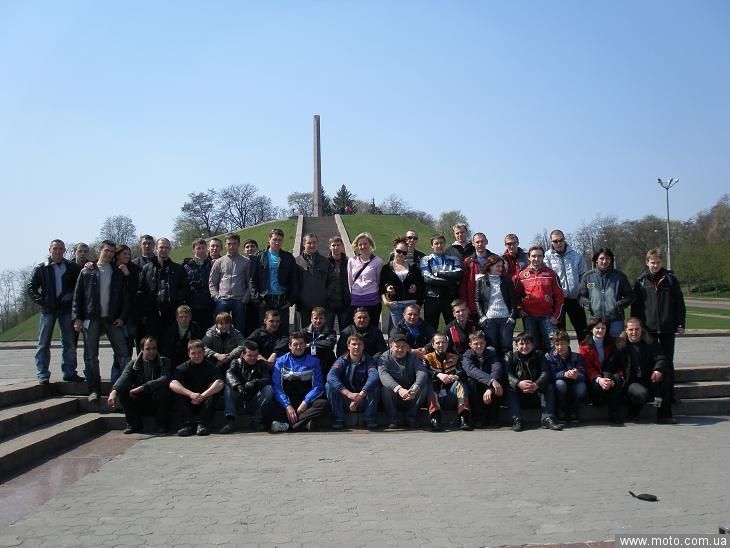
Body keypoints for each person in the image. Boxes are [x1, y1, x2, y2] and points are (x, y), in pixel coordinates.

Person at [72, 240, 130, 401]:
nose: (109, 254)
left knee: (123, 353)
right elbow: (78, 296)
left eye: (112, 252)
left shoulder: (117, 272)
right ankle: (94, 390)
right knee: (91, 355)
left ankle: (125, 387)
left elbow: (125, 298)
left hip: (112, 318)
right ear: (100, 251)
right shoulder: (87, 271)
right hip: (92, 318)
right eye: (106, 251)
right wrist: (77, 318)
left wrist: (122, 317)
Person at [631, 248, 686, 402]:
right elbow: (636, 307)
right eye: (652, 262)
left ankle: (670, 394)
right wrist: (636, 327)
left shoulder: (670, 280)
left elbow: (679, 304)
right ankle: (653, 392)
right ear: (647, 262)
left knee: (667, 361)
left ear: (662, 263)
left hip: (667, 328)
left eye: (658, 262)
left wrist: (680, 323)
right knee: (650, 362)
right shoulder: (640, 281)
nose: (655, 265)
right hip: (649, 329)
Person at [28, 239, 83, 384]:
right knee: (43, 343)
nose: (58, 251)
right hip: (48, 310)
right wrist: (42, 300)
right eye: (55, 249)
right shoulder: (41, 268)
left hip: (66, 309)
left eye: (60, 249)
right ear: (50, 250)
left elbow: (79, 286)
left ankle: (69, 372)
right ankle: (42, 374)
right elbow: (31, 288)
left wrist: (72, 298)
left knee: (69, 342)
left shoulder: (72, 267)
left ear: (64, 250)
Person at [614, 317, 675, 424]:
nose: (634, 332)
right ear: (626, 330)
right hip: (631, 382)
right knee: (642, 393)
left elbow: (661, 358)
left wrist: (657, 370)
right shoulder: (619, 345)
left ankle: (664, 416)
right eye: (631, 329)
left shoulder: (650, 342)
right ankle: (633, 412)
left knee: (666, 378)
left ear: (641, 329)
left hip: (648, 378)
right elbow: (612, 365)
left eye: (637, 329)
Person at [107, 336, 172, 434]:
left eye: (154, 348)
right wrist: (114, 392)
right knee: (124, 392)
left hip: (157, 401)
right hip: (141, 400)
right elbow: (124, 377)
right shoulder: (133, 363)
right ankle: (134, 425)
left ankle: (162, 425)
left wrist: (143, 387)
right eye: (148, 349)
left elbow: (165, 378)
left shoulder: (164, 361)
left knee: (163, 391)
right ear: (142, 349)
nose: (152, 351)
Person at [270, 332, 329, 433]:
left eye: (301, 344)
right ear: (289, 346)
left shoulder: (314, 361)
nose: (299, 347)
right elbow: (276, 387)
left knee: (323, 404)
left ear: (305, 345)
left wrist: (305, 402)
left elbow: (318, 386)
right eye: (295, 344)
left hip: (305, 402)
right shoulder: (280, 361)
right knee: (268, 406)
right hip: (287, 400)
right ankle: (304, 424)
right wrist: (287, 406)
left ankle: (288, 426)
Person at [505, 332, 562, 432]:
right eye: (521, 344)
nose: (524, 346)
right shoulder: (510, 356)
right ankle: (516, 419)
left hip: (536, 393)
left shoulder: (539, 355)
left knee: (548, 387)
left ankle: (547, 418)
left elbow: (545, 372)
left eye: (528, 343)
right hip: (519, 394)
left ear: (533, 345)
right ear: (516, 346)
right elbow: (507, 374)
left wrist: (536, 384)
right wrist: (518, 383)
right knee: (509, 389)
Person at [377, 333, 434, 429]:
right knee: (384, 389)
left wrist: (415, 387)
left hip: (410, 395)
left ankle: (411, 417)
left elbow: (422, 372)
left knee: (423, 386)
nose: (400, 349)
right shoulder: (384, 358)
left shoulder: (413, 357)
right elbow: (383, 375)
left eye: (403, 346)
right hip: (394, 395)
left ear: (407, 347)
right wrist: (399, 389)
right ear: (391, 346)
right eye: (397, 346)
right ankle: (393, 419)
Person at [515, 246, 564, 355]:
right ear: (528, 257)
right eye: (533, 256)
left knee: (554, 345)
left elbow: (559, 297)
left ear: (543, 257)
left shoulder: (551, 274)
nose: (536, 259)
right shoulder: (522, 275)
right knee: (532, 347)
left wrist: (556, 316)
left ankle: (554, 365)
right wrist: (519, 309)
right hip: (529, 317)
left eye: (539, 256)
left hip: (547, 317)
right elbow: (515, 296)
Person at [169, 340, 225, 436]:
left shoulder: (211, 367)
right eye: (193, 353)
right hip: (189, 401)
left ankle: (202, 424)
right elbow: (172, 383)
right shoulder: (182, 368)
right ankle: (187, 425)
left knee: (214, 388)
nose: (197, 356)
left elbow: (220, 382)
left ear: (204, 353)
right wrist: (190, 394)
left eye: (199, 352)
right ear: (188, 354)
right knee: (178, 389)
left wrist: (203, 396)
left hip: (205, 401)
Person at [326, 333, 380, 430]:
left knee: (375, 385)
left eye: (359, 344)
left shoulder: (369, 361)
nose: (356, 347)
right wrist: (348, 394)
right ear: (348, 346)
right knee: (329, 386)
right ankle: (339, 418)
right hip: (345, 399)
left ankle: (369, 418)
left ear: (363, 346)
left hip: (363, 399)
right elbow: (331, 376)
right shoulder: (342, 360)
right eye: (354, 344)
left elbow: (374, 376)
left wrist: (360, 395)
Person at [249, 228, 298, 330]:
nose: (277, 242)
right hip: (265, 300)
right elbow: (252, 280)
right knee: (264, 331)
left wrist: (291, 300)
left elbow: (294, 279)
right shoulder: (259, 257)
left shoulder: (288, 257)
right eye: (274, 239)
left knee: (283, 331)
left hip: (282, 300)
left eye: (280, 240)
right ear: (269, 240)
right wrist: (257, 299)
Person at [140, 237, 188, 340]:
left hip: (172, 313)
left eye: (166, 247)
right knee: (153, 342)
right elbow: (142, 290)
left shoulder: (178, 269)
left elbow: (184, 289)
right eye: (161, 247)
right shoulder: (146, 269)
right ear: (156, 248)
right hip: (152, 314)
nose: (164, 250)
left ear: (170, 249)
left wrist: (176, 301)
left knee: (169, 342)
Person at [221, 340, 273, 434]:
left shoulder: (261, 364)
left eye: (255, 355)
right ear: (242, 354)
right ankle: (230, 421)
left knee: (268, 389)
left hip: (254, 400)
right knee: (228, 387)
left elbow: (267, 379)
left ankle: (257, 420)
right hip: (238, 399)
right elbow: (229, 373)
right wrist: (238, 386)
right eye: (249, 355)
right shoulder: (235, 363)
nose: (253, 358)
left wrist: (255, 382)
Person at [579, 247, 634, 337]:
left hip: (616, 320)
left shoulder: (620, 276)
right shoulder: (588, 277)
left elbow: (630, 296)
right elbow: (581, 296)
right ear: (596, 260)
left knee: (617, 344)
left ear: (611, 260)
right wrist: (589, 304)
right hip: (596, 321)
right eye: (601, 258)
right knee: (597, 345)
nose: (604, 261)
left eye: (607, 258)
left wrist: (620, 304)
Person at [422, 333, 472, 430]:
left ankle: (464, 418)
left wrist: (456, 376)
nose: (441, 345)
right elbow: (424, 371)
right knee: (429, 384)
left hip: (450, 396)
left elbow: (463, 372)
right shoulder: (427, 358)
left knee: (460, 384)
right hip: (434, 396)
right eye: (438, 343)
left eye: (443, 342)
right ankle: (435, 419)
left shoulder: (455, 357)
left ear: (447, 344)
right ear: (433, 345)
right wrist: (437, 375)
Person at [544, 230, 588, 340]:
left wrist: (582, 293)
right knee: (560, 334)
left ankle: (585, 351)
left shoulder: (576, 255)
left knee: (583, 331)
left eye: (561, 240)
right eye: (555, 241)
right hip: (558, 301)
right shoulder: (547, 257)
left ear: (564, 239)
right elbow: (547, 279)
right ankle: (563, 352)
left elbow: (584, 276)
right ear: (551, 242)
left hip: (575, 299)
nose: (558, 243)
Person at [579, 317, 624, 424]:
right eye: (597, 328)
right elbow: (588, 367)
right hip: (594, 377)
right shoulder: (584, 346)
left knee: (617, 379)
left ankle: (614, 413)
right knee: (598, 386)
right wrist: (599, 379)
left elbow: (613, 363)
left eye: (603, 328)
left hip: (609, 373)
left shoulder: (613, 343)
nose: (600, 330)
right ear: (592, 329)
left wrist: (608, 379)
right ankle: (599, 400)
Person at [475, 254, 517, 357]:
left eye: (501, 266)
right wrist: (482, 316)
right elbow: (477, 300)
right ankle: (495, 367)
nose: (500, 268)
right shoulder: (481, 281)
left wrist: (512, 316)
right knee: (492, 347)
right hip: (489, 320)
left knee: (506, 347)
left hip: (506, 319)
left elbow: (513, 301)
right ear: (490, 266)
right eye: (497, 266)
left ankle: (508, 367)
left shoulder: (507, 281)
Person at [208, 233, 250, 335]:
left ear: (238, 244)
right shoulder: (219, 262)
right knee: (218, 327)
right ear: (225, 245)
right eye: (229, 244)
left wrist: (245, 297)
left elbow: (250, 282)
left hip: (239, 299)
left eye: (234, 244)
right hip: (223, 299)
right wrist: (216, 296)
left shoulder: (246, 261)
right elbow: (212, 281)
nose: (231, 246)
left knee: (239, 329)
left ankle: (239, 344)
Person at [380, 237, 424, 331]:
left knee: (411, 332)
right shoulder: (386, 268)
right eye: (398, 251)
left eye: (404, 253)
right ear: (394, 250)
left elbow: (421, 284)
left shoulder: (413, 267)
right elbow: (381, 286)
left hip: (411, 304)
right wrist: (385, 300)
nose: (401, 254)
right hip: (395, 305)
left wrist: (415, 287)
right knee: (397, 332)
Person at [420, 234, 463, 330]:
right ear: (432, 246)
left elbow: (459, 274)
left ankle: (453, 340)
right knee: (430, 327)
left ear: (445, 244)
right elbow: (427, 278)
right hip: (432, 297)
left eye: (441, 243)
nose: (439, 245)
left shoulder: (454, 259)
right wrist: (449, 281)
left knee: (453, 326)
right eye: (436, 243)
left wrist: (438, 273)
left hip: (450, 298)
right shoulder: (426, 260)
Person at [461, 332, 503, 427]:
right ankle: (478, 418)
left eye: (481, 343)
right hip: (477, 386)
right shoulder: (467, 355)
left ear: (485, 343)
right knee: (471, 381)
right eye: (476, 344)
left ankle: (493, 417)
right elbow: (471, 370)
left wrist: (490, 387)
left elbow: (497, 369)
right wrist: (491, 381)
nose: (479, 346)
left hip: (490, 386)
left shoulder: (491, 352)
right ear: (470, 345)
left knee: (498, 381)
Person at [546, 330, 588, 422]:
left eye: (563, 344)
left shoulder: (577, 357)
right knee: (560, 384)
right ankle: (561, 409)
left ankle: (574, 409)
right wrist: (563, 374)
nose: (560, 347)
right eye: (557, 345)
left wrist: (577, 374)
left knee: (582, 386)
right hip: (559, 388)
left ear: (568, 344)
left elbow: (584, 375)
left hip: (573, 385)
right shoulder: (549, 358)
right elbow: (551, 375)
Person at [295, 233, 331, 328]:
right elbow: (293, 283)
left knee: (322, 334)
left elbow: (331, 282)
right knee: (304, 334)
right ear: (303, 244)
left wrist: (326, 296)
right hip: (303, 307)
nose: (312, 245)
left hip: (321, 307)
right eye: (309, 243)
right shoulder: (296, 262)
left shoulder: (325, 262)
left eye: (314, 242)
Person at [347, 232, 384, 324]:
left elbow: (379, 281)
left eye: (365, 244)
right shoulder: (352, 261)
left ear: (370, 244)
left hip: (372, 299)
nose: (363, 246)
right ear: (357, 246)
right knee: (357, 326)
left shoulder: (378, 261)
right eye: (360, 244)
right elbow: (350, 281)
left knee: (372, 325)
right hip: (356, 299)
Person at [459, 232, 497, 319]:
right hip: (473, 306)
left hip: (492, 305)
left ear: (486, 242)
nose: (480, 244)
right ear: (473, 243)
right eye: (477, 242)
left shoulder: (495, 259)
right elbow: (463, 285)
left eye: (482, 241)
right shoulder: (467, 262)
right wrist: (465, 305)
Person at [114, 244, 143, 357]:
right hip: (115, 311)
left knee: (129, 341)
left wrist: (127, 274)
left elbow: (134, 289)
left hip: (130, 311)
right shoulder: (111, 267)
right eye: (124, 254)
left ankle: (127, 365)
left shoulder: (133, 268)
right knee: (118, 344)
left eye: (129, 254)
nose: (127, 256)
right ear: (117, 255)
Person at [183, 238, 215, 330]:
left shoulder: (213, 264)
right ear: (194, 249)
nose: (201, 250)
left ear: (207, 248)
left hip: (209, 305)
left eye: (203, 248)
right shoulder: (186, 266)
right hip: (193, 305)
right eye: (198, 248)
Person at [302, 307, 337, 377]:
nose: (318, 321)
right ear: (311, 319)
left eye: (321, 318)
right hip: (309, 362)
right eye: (316, 318)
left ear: (325, 319)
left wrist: (311, 344)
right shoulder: (304, 332)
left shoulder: (331, 332)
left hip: (326, 362)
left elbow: (329, 344)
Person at [326, 236, 351, 333]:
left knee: (345, 332)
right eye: (333, 245)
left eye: (338, 245)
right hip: (329, 303)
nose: (336, 247)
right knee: (327, 331)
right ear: (330, 247)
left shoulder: (349, 262)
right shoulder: (324, 262)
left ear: (342, 246)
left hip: (344, 302)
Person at [242, 239, 260, 336]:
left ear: (257, 248)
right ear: (244, 250)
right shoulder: (241, 261)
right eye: (247, 247)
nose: (250, 249)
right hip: (243, 297)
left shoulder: (260, 260)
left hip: (257, 296)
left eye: (252, 246)